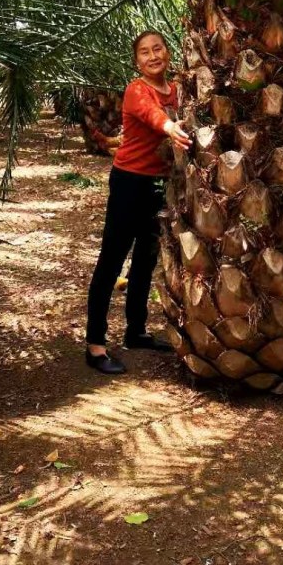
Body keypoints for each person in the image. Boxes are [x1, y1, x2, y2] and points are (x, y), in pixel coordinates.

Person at [85, 30, 191, 374]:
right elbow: (150, 114)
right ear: (137, 62)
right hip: (129, 182)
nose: (152, 56)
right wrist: (169, 127)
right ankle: (95, 346)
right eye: (144, 52)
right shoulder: (136, 90)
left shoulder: (177, 89)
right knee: (112, 260)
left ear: (168, 52)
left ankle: (136, 331)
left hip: (160, 185)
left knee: (146, 258)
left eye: (157, 48)